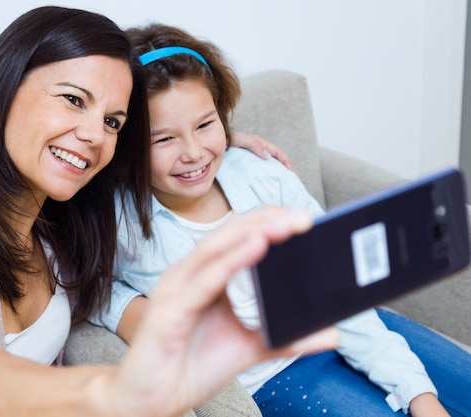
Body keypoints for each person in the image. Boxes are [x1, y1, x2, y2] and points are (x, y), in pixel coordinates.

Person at [0, 6, 339, 417]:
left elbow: (153, 160)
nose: (94, 135)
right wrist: (113, 394)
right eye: (73, 99)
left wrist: (225, 150)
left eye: (112, 121)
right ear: (2, 87)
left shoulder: (59, 216)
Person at [91, 22, 471, 417]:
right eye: (163, 139)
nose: (193, 152)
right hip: (278, 376)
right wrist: (127, 308)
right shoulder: (120, 221)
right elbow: (77, 282)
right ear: (127, 147)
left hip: (348, 327)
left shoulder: (262, 176)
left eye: (205, 125)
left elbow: (342, 288)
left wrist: (416, 392)